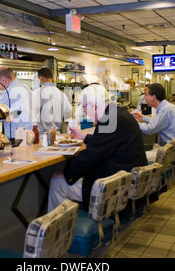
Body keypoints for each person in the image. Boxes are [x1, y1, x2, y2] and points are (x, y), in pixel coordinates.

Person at [47, 84, 148, 212]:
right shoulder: (117, 113)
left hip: (114, 187)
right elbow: (106, 143)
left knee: (57, 183)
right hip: (128, 178)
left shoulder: (108, 120)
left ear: (92, 105)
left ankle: (59, 227)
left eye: (84, 107)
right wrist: (84, 137)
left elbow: (92, 156)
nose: (84, 111)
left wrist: (66, 173)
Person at [0, 67, 33, 139]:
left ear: (3, 80)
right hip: (30, 133)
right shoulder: (27, 88)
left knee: (17, 150)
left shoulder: (8, 92)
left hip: (16, 135)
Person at [32, 67, 72, 134]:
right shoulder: (62, 94)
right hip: (57, 135)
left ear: (41, 77)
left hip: (43, 136)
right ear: (51, 78)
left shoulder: (38, 92)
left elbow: (34, 112)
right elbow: (69, 113)